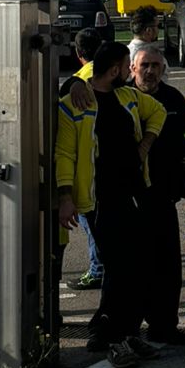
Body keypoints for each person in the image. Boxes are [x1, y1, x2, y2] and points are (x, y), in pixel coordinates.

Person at [53, 42, 168, 368]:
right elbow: (65, 155)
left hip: (132, 194)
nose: (131, 71)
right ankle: (114, 337)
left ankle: (122, 332)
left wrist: (145, 145)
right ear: (116, 69)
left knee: (136, 267)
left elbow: (157, 112)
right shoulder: (73, 105)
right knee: (119, 268)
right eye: (127, 65)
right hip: (100, 200)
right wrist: (65, 198)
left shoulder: (127, 97)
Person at [131, 45, 185, 344]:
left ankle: (164, 324)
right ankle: (127, 326)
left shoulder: (172, 98)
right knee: (132, 266)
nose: (150, 71)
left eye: (156, 65)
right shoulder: (122, 98)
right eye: (145, 65)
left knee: (168, 266)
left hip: (164, 195)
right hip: (129, 198)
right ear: (132, 68)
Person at [64, 27, 107, 287]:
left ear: (78, 53)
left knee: (92, 222)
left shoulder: (79, 80)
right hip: (110, 163)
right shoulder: (109, 75)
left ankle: (98, 269)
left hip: (88, 165)